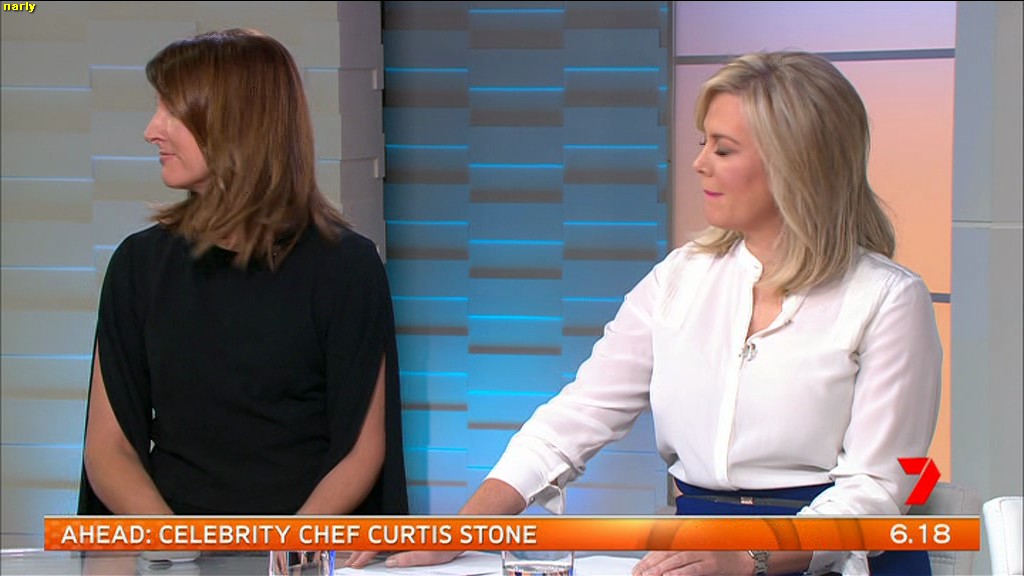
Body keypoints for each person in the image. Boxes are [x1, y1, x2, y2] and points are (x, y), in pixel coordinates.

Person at [348, 51, 941, 575]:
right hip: (699, 555)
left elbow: (875, 489)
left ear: (796, 164)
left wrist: (749, 558)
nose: (699, 163)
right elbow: (576, 417)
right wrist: (462, 528)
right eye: (702, 142)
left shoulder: (887, 299)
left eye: (723, 148)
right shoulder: (681, 278)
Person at [78, 28, 408, 518]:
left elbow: (361, 452)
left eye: (172, 111)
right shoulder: (138, 265)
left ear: (235, 124)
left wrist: (288, 551)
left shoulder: (346, 268)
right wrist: (176, 546)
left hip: (305, 540)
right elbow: (109, 450)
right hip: (173, 543)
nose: (151, 130)